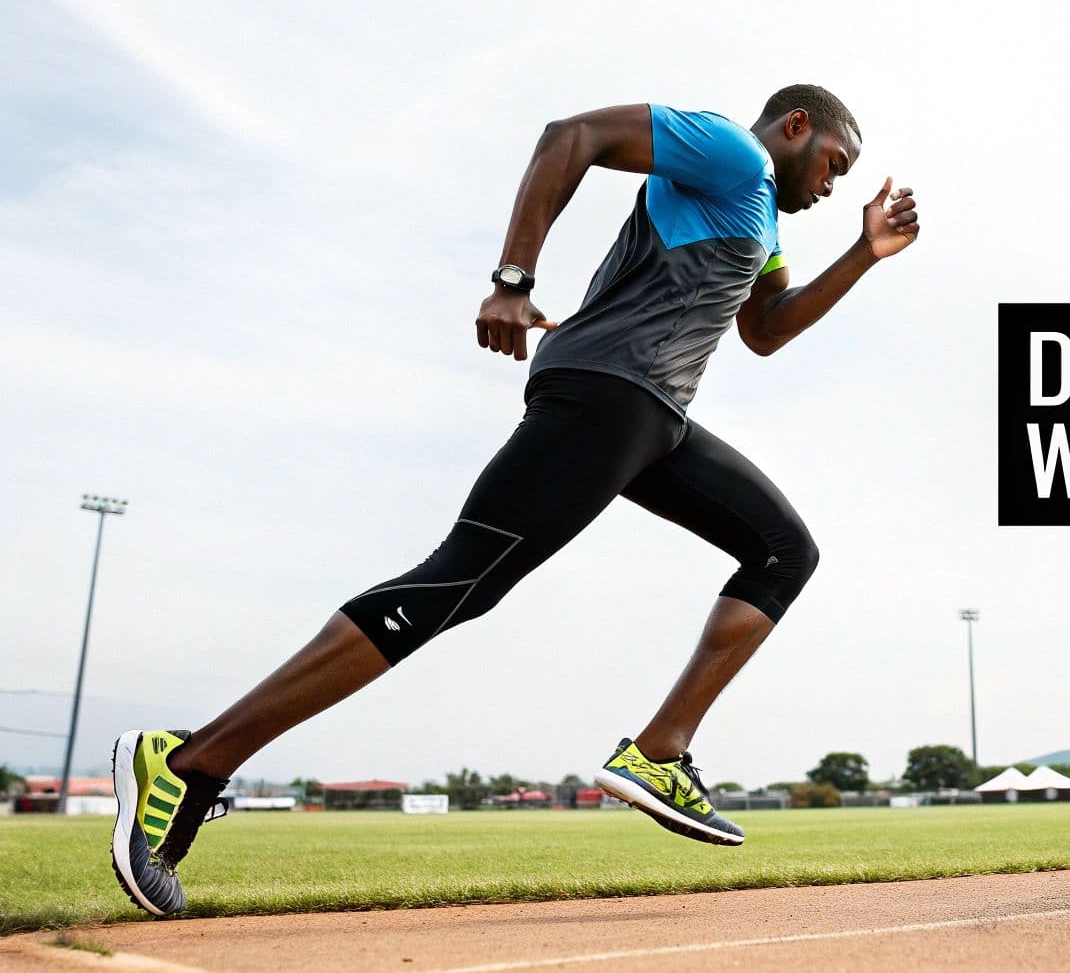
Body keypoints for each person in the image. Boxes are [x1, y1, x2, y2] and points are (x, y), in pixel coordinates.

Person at [109, 85, 919, 916]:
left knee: (785, 549)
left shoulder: (762, 220)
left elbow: (767, 326)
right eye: (833, 163)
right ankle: (188, 764)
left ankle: (659, 751)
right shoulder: (732, 153)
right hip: (612, 393)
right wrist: (512, 280)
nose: (830, 185)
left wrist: (865, 252)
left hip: (654, 417)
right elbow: (571, 137)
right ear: (795, 128)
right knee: (460, 579)